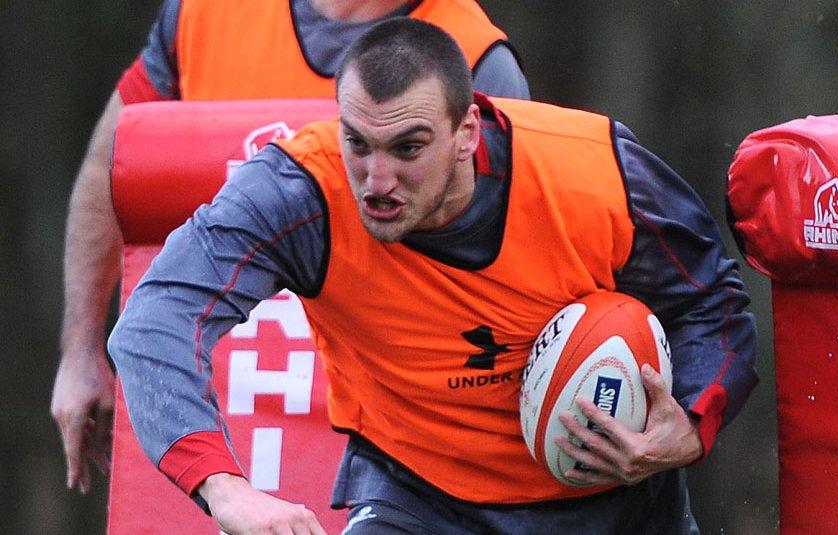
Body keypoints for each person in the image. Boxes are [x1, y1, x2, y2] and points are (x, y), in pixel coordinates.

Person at [109, 18, 757, 534]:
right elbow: (154, 320)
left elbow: (713, 304)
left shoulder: (593, 173)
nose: (377, 178)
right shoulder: (302, 191)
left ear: (466, 130)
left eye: (408, 148)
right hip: (415, 497)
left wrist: (692, 420)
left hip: (614, 502)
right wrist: (228, 490)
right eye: (357, 142)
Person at [51, 0, 529, 496]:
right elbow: (112, 166)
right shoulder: (205, 13)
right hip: (207, 382)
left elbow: (505, 267)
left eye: (406, 146)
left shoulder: (475, 54)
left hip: (394, 423)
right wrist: (81, 349)